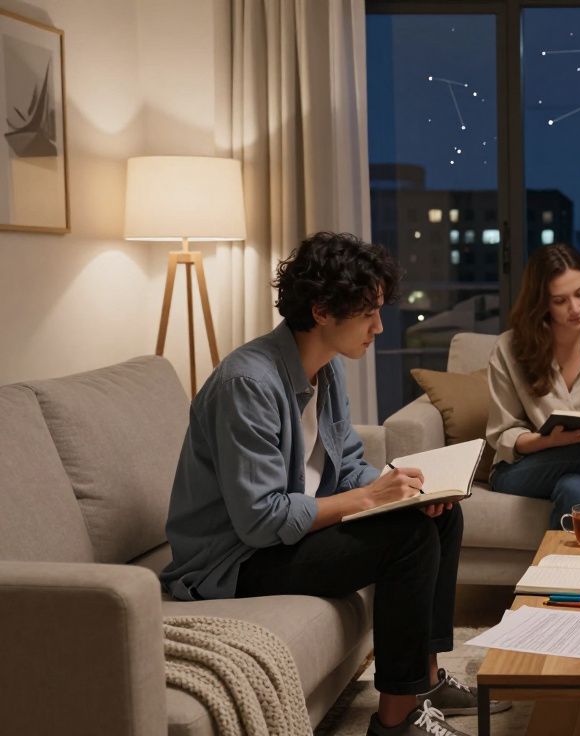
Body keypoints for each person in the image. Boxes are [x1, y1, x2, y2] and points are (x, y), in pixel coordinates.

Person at [160, 232, 505, 736]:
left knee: (441, 514)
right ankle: (395, 720)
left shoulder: (326, 370)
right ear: (322, 310)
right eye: (368, 313)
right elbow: (261, 521)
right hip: (234, 561)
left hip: (285, 537)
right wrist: (370, 497)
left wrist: (407, 487)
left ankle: (426, 682)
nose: (379, 327)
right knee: (406, 540)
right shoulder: (248, 385)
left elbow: (345, 467)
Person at [485, 243, 580, 531]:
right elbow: (503, 434)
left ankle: (568, 575)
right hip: (520, 468)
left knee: (576, 491)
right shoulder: (509, 348)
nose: (576, 308)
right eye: (560, 301)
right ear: (541, 302)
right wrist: (549, 442)